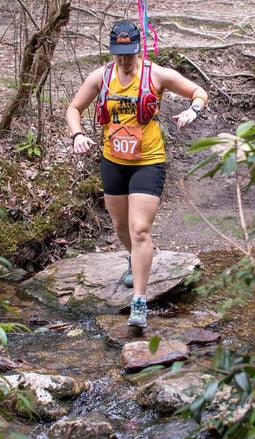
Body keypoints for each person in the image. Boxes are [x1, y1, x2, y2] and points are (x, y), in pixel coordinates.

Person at [66, 21, 208, 328]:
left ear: (138, 49)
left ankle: (139, 302)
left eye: (129, 53)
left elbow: (199, 91)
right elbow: (73, 108)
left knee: (140, 228)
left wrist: (192, 110)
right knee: (120, 226)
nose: (124, 60)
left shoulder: (156, 74)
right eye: (119, 54)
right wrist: (77, 135)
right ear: (111, 50)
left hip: (148, 160)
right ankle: (135, 258)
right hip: (113, 160)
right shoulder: (101, 76)